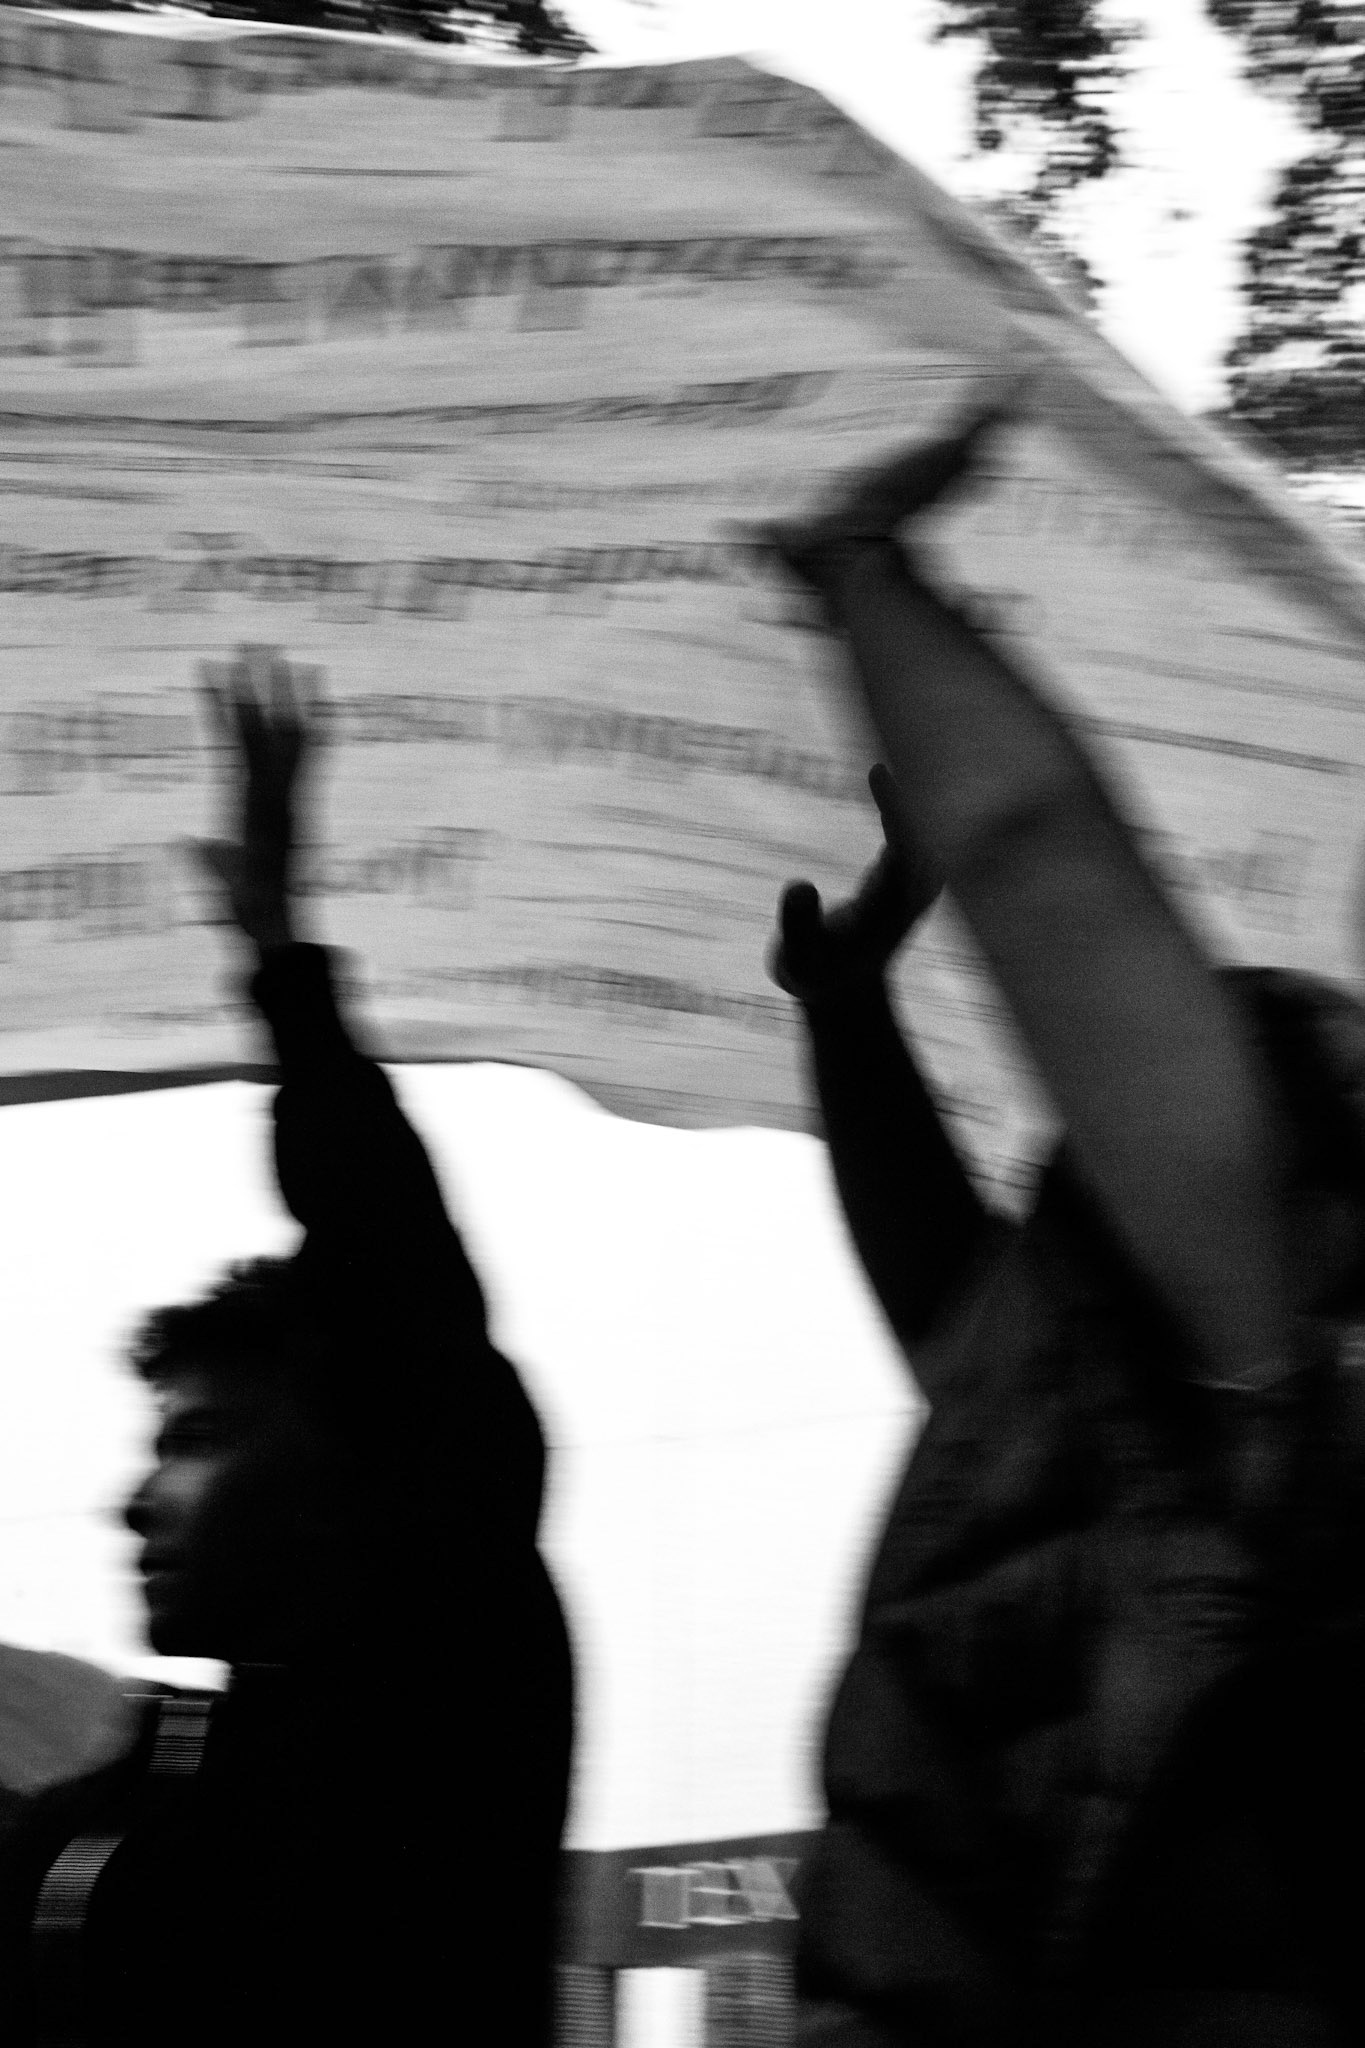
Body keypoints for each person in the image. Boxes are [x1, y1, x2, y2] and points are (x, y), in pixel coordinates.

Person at [764, 404, 1365, 2046]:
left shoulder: (1282, 1304)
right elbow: (987, 1353)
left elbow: (1044, 863)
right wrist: (849, 1017)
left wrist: (864, 579)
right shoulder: (1236, 1366)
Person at [0, 648, 573, 2047]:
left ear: (350, 1457)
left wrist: (281, 960)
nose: (134, 1498)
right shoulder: (162, 1781)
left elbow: (396, 1281)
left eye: (194, 1437)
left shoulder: (442, 1676)